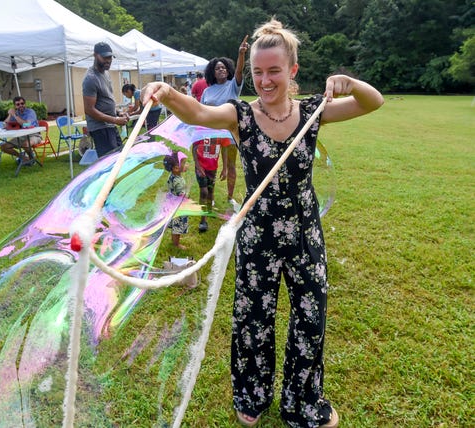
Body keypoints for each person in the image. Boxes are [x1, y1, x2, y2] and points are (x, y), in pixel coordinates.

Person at [141, 18, 384, 428]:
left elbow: (371, 102)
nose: (265, 80)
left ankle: (301, 403)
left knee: (310, 315)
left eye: (274, 71)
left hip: (305, 233)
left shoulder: (313, 112)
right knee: (253, 317)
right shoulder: (240, 115)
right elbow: (198, 110)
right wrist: (166, 93)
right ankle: (252, 397)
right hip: (257, 236)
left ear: (292, 71)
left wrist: (350, 82)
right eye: (257, 71)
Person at [201, 35, 249, 213]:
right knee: (210, 166)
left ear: (228, 70)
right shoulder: (207, 91)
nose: (220, 70)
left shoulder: (233, 86)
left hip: (229, 133)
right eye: (217, 68)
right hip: (211, 134)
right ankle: (210, 197)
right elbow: (202, 112)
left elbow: (239, 71)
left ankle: (230, 197)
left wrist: (241, 54)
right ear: (212, 73)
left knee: (230, 166)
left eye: (223, 68)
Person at [82, 42, 130, 158]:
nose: (108, 60)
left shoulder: (106, 74)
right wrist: (115, 119)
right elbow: (89, 110)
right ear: (95, 55)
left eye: (109, 57)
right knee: (109, 164)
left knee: (119, 157)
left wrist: (118, 113)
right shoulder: (91, 78)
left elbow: (106, 100)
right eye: (104, 57)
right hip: (100, 128)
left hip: (110, 125)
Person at [193, 137, 231, 232]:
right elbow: (194, 147)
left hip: (212, 168)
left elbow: (225, 149)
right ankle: (203, 221)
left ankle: (209, 211)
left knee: (210, 191)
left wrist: (225, 168)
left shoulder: (222, 131)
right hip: (201, 167)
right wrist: (197, 165)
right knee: (204, 192)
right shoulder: (203, 129)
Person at [0, 96, 39, 163]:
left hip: (34, 135)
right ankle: (22, 157)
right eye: (18, 104)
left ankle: (32, 159)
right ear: (15, 106)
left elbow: (26, 125)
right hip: (20, 136)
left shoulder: (30, 112)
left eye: (22, 103)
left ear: (25, 104)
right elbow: (4, 125)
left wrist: (15, 115)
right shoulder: (16, 113)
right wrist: (10, 114)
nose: (21, 105)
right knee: (3, 146)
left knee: (26, 144)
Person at [163, 150, 189, 248]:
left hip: (172, 204)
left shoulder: (173, 176)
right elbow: (181, 195)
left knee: (175, 225)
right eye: (184, 163)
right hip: (178, 207)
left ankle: (174, 239)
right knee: (177, 226)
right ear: (176, 168)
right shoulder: (177, 181)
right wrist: (187, 199)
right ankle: (176, 244)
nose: (186, 165)